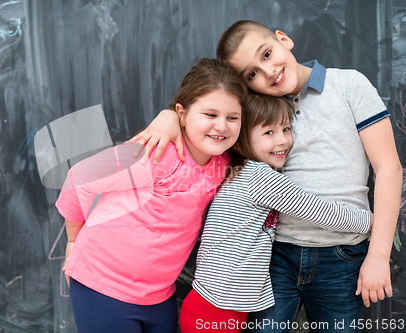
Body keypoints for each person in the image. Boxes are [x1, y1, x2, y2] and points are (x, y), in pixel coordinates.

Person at [130, 21, 402, 332]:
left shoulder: (348, 85)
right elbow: (207, 115)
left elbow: (389, 168)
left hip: (341, 254)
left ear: (284, 39)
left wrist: (380, 254)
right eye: (251, 74)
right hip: (273, 256)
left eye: (268, 54)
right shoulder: (255, 108)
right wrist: (169, 116)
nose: (268, 71)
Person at [55, 58, 248, 333]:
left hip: (159, 296)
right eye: (210, 115)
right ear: (181, 113)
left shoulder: (223, 164)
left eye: (232, 118)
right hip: (102, 286)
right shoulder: (155, 153)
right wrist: (73, 239)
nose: (222, 126)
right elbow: (80, 178)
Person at [179, 93, 372, 333]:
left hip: (217, 305)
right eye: (268, 133)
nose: (282, 141)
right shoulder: (259, 176)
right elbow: (323, 212)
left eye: (286, 129)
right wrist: (373, 221)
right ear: (240, 140)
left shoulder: (238, 169)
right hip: (215, 309)